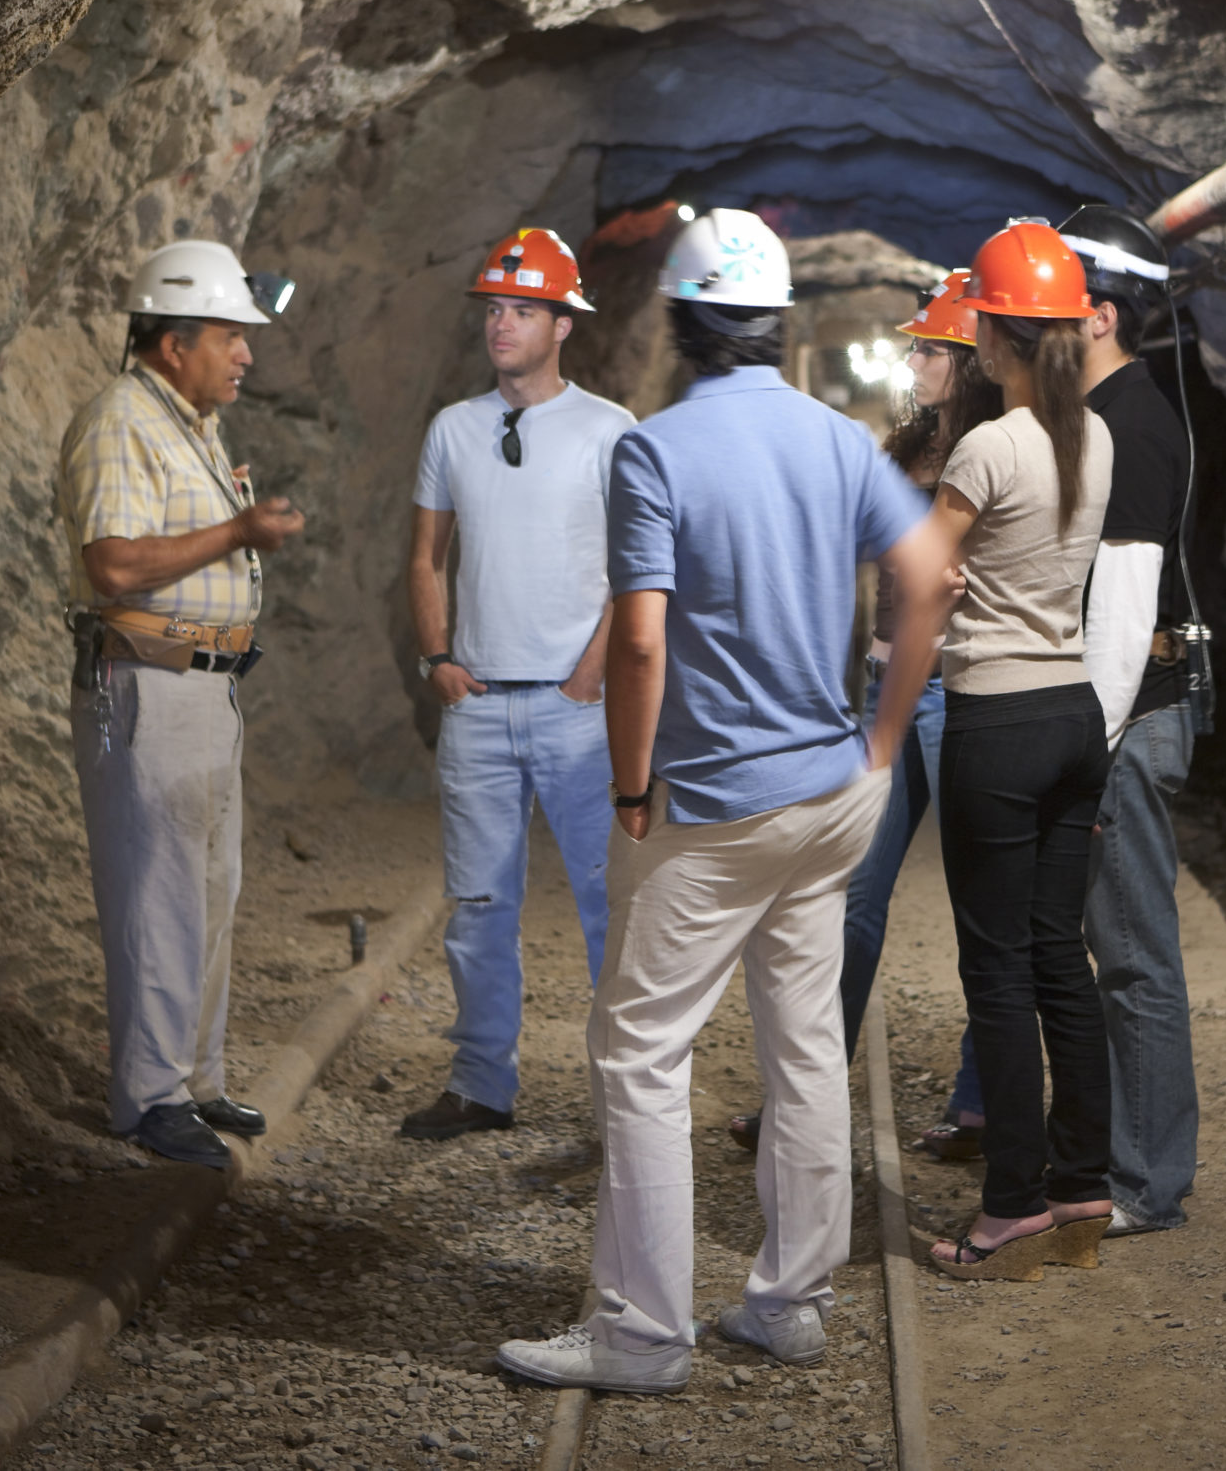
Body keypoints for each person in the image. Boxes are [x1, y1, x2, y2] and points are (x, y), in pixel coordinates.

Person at [497, 208, 953, 1392]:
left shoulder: (653, 451)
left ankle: (641, 1334)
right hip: (827, 792)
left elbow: (639, 642)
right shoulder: (841, 441)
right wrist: (885, 737)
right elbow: (928, 578)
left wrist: (633, 782)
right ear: (775, 321)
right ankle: (791, 1304)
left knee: (642, 1051)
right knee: (804, 1047)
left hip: (710, 802)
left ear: (684, 323)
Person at [728, 271, 1002, 1156]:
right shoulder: (905, 446)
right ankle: (800, 1102)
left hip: (961, 688)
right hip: (888, 684)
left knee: (982, 909)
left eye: (929, 346)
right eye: (915, 345)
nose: (914, 358)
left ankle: (979, 1103)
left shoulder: (996, 448)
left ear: (968, 356)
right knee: (848, 900)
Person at [58, 239, 305, 1168]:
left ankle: (195, 1081)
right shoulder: (123, 419)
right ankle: (149, 1098)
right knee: (159, 893)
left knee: (209, 889)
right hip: (147, 684)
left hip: (204, 687)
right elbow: (112, 563)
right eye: (231, 337)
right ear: (174, 343)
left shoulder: (188, 424)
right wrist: (239, 530)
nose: (246, 354)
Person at [403, 227, 635, 1141]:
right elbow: (425, 556)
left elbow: (639, 567)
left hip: (577, 711)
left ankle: (623, 1098)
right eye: (495, 309)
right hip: (480, 705)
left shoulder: (608, 429)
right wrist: (440, 661)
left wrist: (589, 674)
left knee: (602, 905)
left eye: (523, 310)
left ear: (562, 324)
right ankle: (481, 1086)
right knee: (478, 903)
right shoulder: (453, 429)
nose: (502, 325)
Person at [925, 219, 1116, 1279]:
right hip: (1073, 715)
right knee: (1059, 961)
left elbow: (922, 569)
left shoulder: (987, 445)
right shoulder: (1094, 437)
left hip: (996, 719)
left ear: (994, 340)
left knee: (995, 972)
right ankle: (1082, 1180)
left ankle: (1010, 1207)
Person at [1058, 204, 1201, 1237]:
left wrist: (1084, 751)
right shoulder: (1107, 417)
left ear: (1098, 316)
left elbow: (1122, 614)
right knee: (1109, 953)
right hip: (1122, 713)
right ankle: (1117, 1160)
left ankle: (1146, 1183)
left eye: (1050, 306)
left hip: (1130, 718)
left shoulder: (1130, 427)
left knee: (1136, 956)